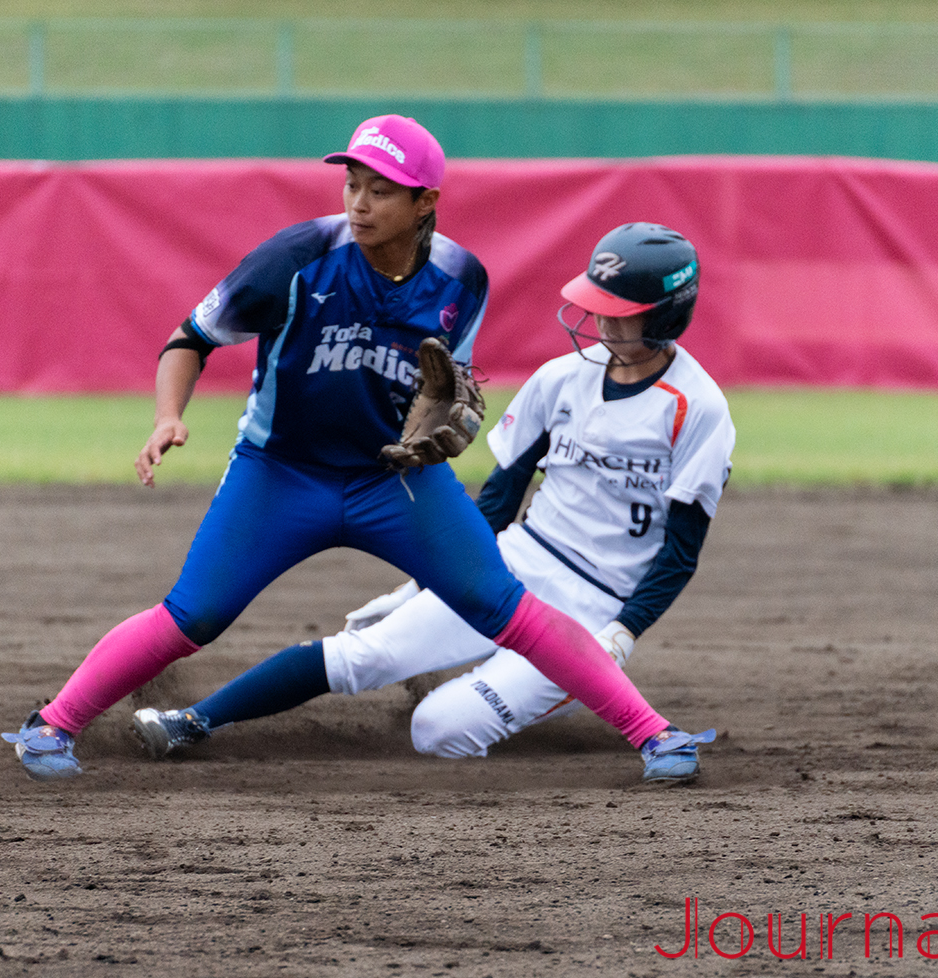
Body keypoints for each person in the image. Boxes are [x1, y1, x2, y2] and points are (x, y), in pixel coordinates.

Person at [3, 115, 710, 784]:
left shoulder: (463, 279)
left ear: (424, 200)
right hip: (280, 475)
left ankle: (655, 735)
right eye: (351, 184)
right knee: (195, 615)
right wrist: (168, 417)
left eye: (380, 189)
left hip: (392, 481)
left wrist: (435, 418)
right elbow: (190, 338)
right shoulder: (297, 259)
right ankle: (51, 726)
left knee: (507, 608)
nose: (360, 202)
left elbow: (443, 379)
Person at [132, 223, 732, 777]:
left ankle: (566, 708)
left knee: (439, 729)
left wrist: (621, 634)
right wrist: (428, 577)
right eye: (597, 305)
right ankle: (191, 722)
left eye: (620, 312)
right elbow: (500, 497)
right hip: (516, 565)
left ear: (666, 315)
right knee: (360, 654)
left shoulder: (697, 409)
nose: (601, 322)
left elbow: (679, 553)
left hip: (596, 605)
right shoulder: (561, 378)